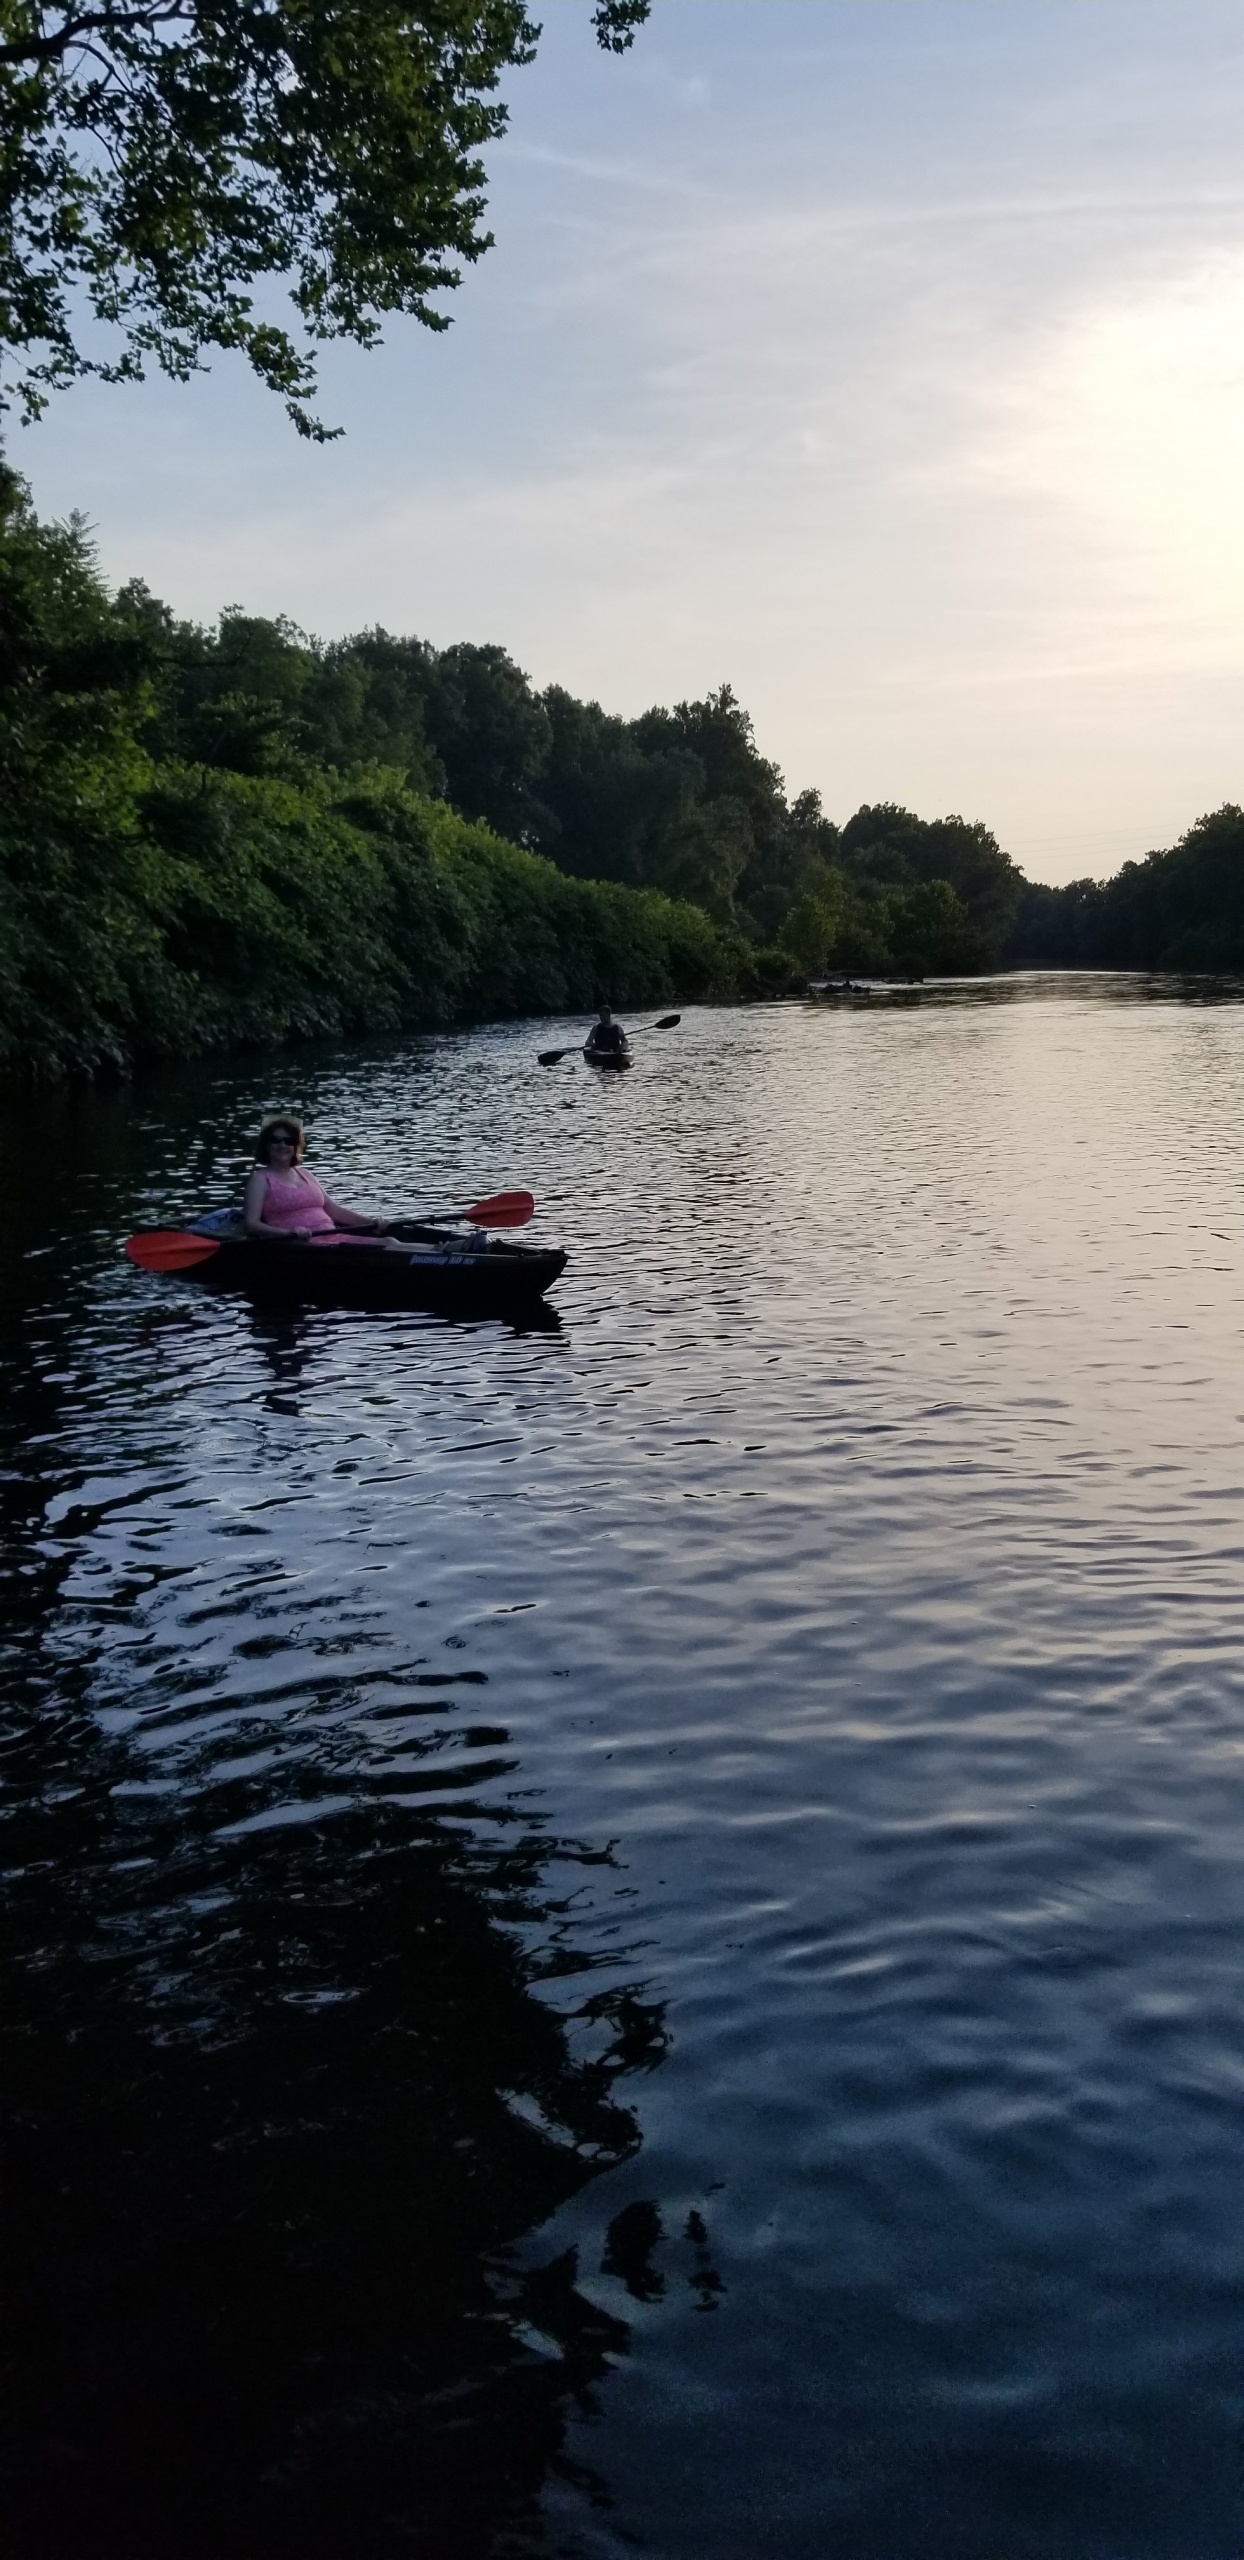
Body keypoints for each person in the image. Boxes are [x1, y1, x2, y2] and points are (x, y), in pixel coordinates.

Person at [244, 1117, 396, 1245]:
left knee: (388, 1242)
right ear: (266, 1145)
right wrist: (288, 1232)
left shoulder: (306, 1174)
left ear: (295, 1147)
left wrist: (371, 1223)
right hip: (301, 1246)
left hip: (333, 1239)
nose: (282, 1145)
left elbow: (334, 1210)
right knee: (388, 1246)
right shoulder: (260, 1179)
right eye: (276, 1140)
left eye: (289, 1141)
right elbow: (252, 1224)